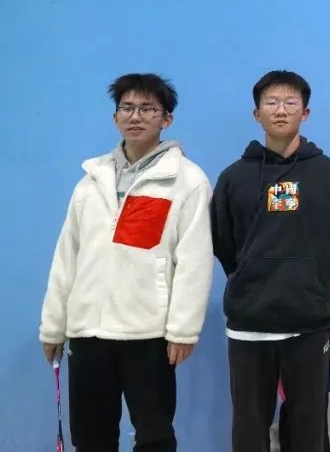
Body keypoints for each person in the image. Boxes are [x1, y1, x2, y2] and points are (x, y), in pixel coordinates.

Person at [40, 73, 213, 452]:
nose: (136, 116)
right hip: (87, 333)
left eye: (148, 109)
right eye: (127, 108)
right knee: (91, 437)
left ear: (166, 119)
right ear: (115, 116)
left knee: (154, 436)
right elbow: (66, 257)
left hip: (147, 335)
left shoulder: (187, 180)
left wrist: (183, 329)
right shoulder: (90, 181)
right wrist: (53, 327)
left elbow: (194, 260)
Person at [211, 70, 330, 452]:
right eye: (271, 102)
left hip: (309, 325)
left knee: (308, 431)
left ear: (305, 113)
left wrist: (316, 283)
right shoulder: (233, 178)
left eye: (290, 103)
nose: (280, 110)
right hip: (249, 325)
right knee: (248, 430)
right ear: (256, 113)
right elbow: (223, 242)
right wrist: (248, 276)